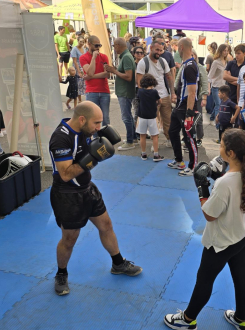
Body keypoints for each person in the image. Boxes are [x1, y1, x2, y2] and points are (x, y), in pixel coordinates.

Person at [164, 128, 245, 330]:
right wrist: (218, 174)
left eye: (221, 145)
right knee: (241, 274)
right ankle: (241, 319)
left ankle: (188, 319)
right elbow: (233, 188)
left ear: (231, 153)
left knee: (204, 279)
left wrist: (202, 188)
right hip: (244, 233)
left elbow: (209, 214)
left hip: (223, 241)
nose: (219, 148)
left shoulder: (225, 183)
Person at [48, 101, 142, 296]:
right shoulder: (60, 139)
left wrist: (96, 147)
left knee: (106, 225)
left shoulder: (86, 130)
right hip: (67, 194)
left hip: (87, 188)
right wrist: (93, 157)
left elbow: (91, 147)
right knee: (69, 238)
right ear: (82, 119)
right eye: (96, 123)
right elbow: (65, 174)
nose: (99, 128)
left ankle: (118, 264)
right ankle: (61, 274)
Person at [167, 38, 199, 176]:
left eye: (176, 47)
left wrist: (190, 112)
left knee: (189, 137)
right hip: (179, 106)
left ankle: (193, 167)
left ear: (181, 47)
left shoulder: (190, 65)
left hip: (186, 107)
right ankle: (179, 161)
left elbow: (192, 91)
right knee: (172, 132)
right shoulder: (186, 65)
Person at [136, 40, 174, 143]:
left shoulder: (163, 61)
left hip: (164, 95)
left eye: (161, 50)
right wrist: (145, 99)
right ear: (151, 48)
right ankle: (155, 144)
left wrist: (173, 93)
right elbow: (139, 83)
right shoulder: (143, 62)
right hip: (151, 97)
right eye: (157, 49)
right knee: (153, 123)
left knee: (168, 120)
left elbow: (169, 77)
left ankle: (170, 140)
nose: (159, 52)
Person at [105, 38, 137, 151]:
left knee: (126, 116)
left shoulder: (127, 57)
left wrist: (114, 71)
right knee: (128, 116)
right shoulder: (125, 56)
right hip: (124, 91)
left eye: (114, 46)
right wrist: (113, 69)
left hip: (125, 91)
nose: (114, 48)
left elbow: (129, 76)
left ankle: (130, 141)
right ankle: (133, 138)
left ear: (118, 45)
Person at [80, 35, 111, 127]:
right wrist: (93, 58)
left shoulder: (104, 57)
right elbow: (89, 72)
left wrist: (91, 76)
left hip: (104, 90)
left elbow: (107, 74)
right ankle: (96, 139)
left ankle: (106, 138)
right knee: (92, 118)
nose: (98, 48)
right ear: (89, 44)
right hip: (91, 91)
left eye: (99, 45)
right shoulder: (83, 57)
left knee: (105, 117)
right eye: (96, 45)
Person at [136, 74, 164, 162]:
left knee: (142, 135)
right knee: (155, 136)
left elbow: (138, 100)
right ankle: (156, 155)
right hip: (152, 117)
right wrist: (158, 103)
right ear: (153, 82)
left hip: (142, 116)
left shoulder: (140, 91)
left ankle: (143, 153)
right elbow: (159, 101)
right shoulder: (154, 92)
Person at [208, 44, 229, 124]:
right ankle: (218, 124)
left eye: (227, 51)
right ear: (220, 51)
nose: (226, 52)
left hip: (223, 86)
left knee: (219, 104)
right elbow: (209, 76)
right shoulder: (216, 62)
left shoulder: (226, 62)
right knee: (218, 105)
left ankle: (212, 117)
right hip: (216, 87)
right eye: (224, 50)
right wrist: (209, 88)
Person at [70, 36, 87, 105]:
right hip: (77, 67)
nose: (82, 43)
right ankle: (79, 100)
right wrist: (79, 71)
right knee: (79, 84)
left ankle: (85, 99)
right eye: (80, 41)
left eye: (83, 42)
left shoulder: (84, 49)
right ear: (77, 41)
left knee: (84, 83)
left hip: (83, 67)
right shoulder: (74, 49)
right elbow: (75, 61)